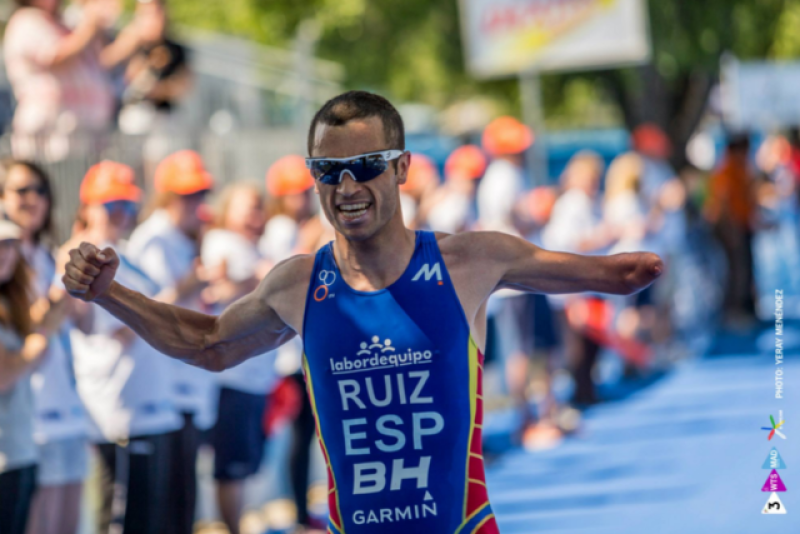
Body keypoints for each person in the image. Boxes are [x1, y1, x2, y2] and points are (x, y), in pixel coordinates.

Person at [62, 91, 663, 534]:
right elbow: (210, 343)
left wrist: (635, 266)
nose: (347, 186)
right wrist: (111, 294)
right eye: (328, 171)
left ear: (402, 168)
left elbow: (607, 273)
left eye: (367, 165)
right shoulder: (298, 283)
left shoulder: (470, 261)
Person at [67, 161, 181, 534]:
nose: (122, 215)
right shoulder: (78, 259)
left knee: (151, 518)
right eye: (112, 206)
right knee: (120, 520)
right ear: (87, 207)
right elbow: (108, 330)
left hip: (148, 406)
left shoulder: (126, 254)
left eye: (129, 207)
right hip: (117, 412)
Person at [125, 150, 217, 534]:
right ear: (167, 197)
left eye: (199, 194)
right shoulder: (154, 239)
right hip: (167, 383)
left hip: (187, 380)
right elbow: (153, 309)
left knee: (183, 493)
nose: (195, 203)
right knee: (166, 498)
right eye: (187, 195)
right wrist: (192, 283)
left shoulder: (183, 235)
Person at [0, 160, 90, 534]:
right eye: (22, 190)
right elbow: (21, 343)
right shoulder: (17, 265)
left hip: (61, 408)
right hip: (28, 425)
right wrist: (48, 318)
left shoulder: (48, 255)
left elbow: (81, 324)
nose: (34, 198)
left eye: (40, 190)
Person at [201, 183, 278, 534]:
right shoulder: (221, 242)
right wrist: (259, 280)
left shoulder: (252, 246)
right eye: (246, 206)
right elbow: (219, 293)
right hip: (232, 376)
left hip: (255, 375)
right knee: (230, 465)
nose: (253, 214)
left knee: (245, 463)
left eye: (257, 207)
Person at [260, 155, 327, 532]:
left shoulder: (293, 225)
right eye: (294, 194)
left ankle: (301, 509)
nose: (301, 199)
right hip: (288, 356)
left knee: (306, 437)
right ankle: (297, 512)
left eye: (304, 193)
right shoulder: (282, 228)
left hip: (298, 350)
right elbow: (291, 268)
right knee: (296, 438)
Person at [2, 0, 143, 159]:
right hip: (52, 134)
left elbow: (102, 60)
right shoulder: (27, 21)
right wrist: (89, 25)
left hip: (84, 135)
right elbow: (56, 56)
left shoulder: (63, 22)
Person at [0, 219, 61, 534]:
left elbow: (32, 362)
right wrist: (45, 331)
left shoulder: (11, 304)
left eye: (10, 244)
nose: (6, 252)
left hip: (20, 449)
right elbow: (5, 374)